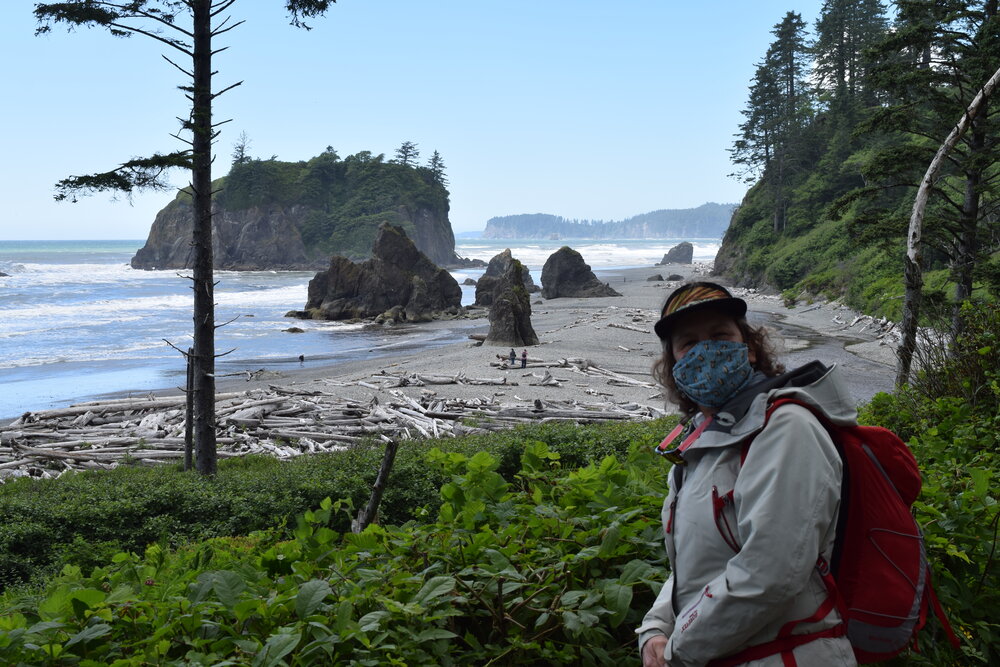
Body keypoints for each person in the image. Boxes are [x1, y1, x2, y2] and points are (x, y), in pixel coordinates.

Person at [637, 282, 857, 667]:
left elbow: (771, 573)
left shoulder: (785, 428)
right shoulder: (699, 446)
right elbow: (697, 566)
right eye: (688, 343)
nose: (705, 350)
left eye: (720, 335)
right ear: (674, 364)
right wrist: (656, 627)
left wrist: (677, 651)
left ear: (750, 348)